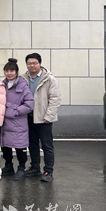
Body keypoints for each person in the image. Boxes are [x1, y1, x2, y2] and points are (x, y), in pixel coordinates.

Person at [22, 53, 61, 182]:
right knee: (32, 144)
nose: (32, 65)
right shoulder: (23, 78)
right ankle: (35, 168)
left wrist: (49, 116)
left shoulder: (49, 79)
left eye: (34, 63)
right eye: (29, 63)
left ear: (40, 64)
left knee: (46, 145)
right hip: (29, 117)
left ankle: (48, 171)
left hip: (44, 118)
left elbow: (55, 99)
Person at [1, 58, 35, 181]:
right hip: (5, 122)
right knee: (5, 145)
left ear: (16, 72)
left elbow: (29, 104)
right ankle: (8, 166)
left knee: (20, 146)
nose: (9, 73)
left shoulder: (22, 85)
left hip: (17, 122)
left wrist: (15, 111)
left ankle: (21, 168)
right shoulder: (3, 85)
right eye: (7, 71)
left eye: (12, 71)